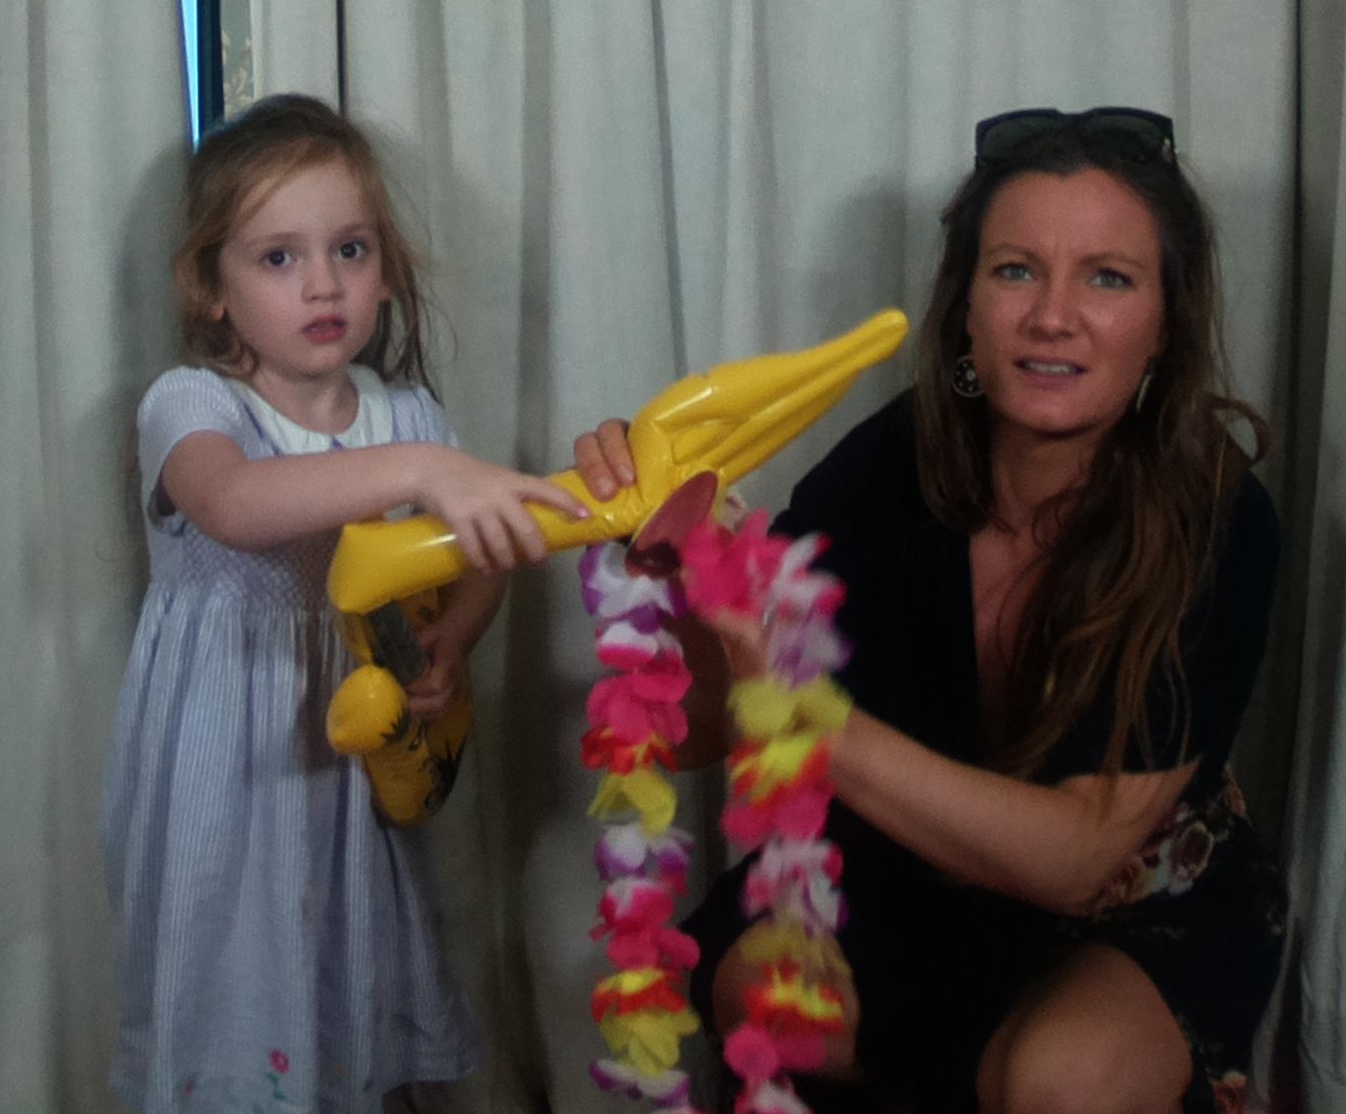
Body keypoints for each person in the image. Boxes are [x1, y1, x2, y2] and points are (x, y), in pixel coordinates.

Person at [580, 107, 1284, 1114]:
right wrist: (676, 574)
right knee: (766, 997)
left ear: (1166, 324)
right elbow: (700, 734)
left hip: (1132, 904)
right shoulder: (890, 466)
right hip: (913, 876)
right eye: (1015, 271)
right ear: (965, 311)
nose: (1052, 316)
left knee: (1054, 1080)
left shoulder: (1219, 519)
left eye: (1107, 278)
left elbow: (1075, 858)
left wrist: (803, 712)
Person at [103, 94, 589, 1114]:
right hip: (231, 767)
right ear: (212, 289)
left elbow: (482, 551)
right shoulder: (191, 404)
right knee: (234, 984)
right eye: (278, 258)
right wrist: (420, 469)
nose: (322, 283)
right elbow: (236, 506)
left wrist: (452, 640)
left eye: (350, 250)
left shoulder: (405, 411)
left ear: (386, 268)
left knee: (340, 970)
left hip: (352, 771)